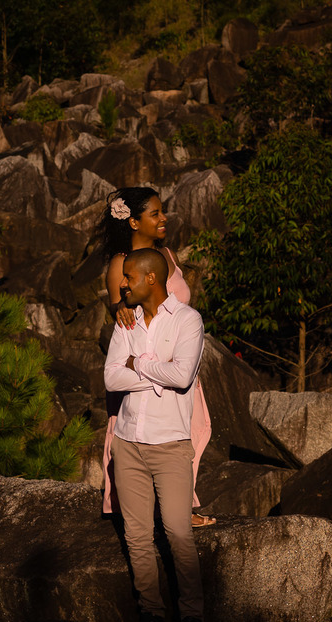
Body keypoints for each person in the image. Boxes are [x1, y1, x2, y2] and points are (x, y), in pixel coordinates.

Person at [104, 247, 206, 622]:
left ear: (150, 278)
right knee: (137, 536)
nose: (121, 284)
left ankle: (194, 619)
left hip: (170, 447)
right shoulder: (125, 322)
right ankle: (152, 615)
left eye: (128, 277)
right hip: (127, 443)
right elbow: (111, 378)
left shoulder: (188, 320)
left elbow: (182, 377)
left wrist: (138, 364)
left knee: (179, 533)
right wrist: (152, 370)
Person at [96, 187, 215, 527]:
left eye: (163, 212)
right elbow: (120, 309)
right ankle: (140, 506)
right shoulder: (121, 263)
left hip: (177, 361)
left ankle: (178, 507)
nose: (164, 219)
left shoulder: (168, 256)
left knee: (190, 432)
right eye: (155, 214)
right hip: (140, 365)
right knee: (133, 434)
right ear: (133, 221)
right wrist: (121, 306)